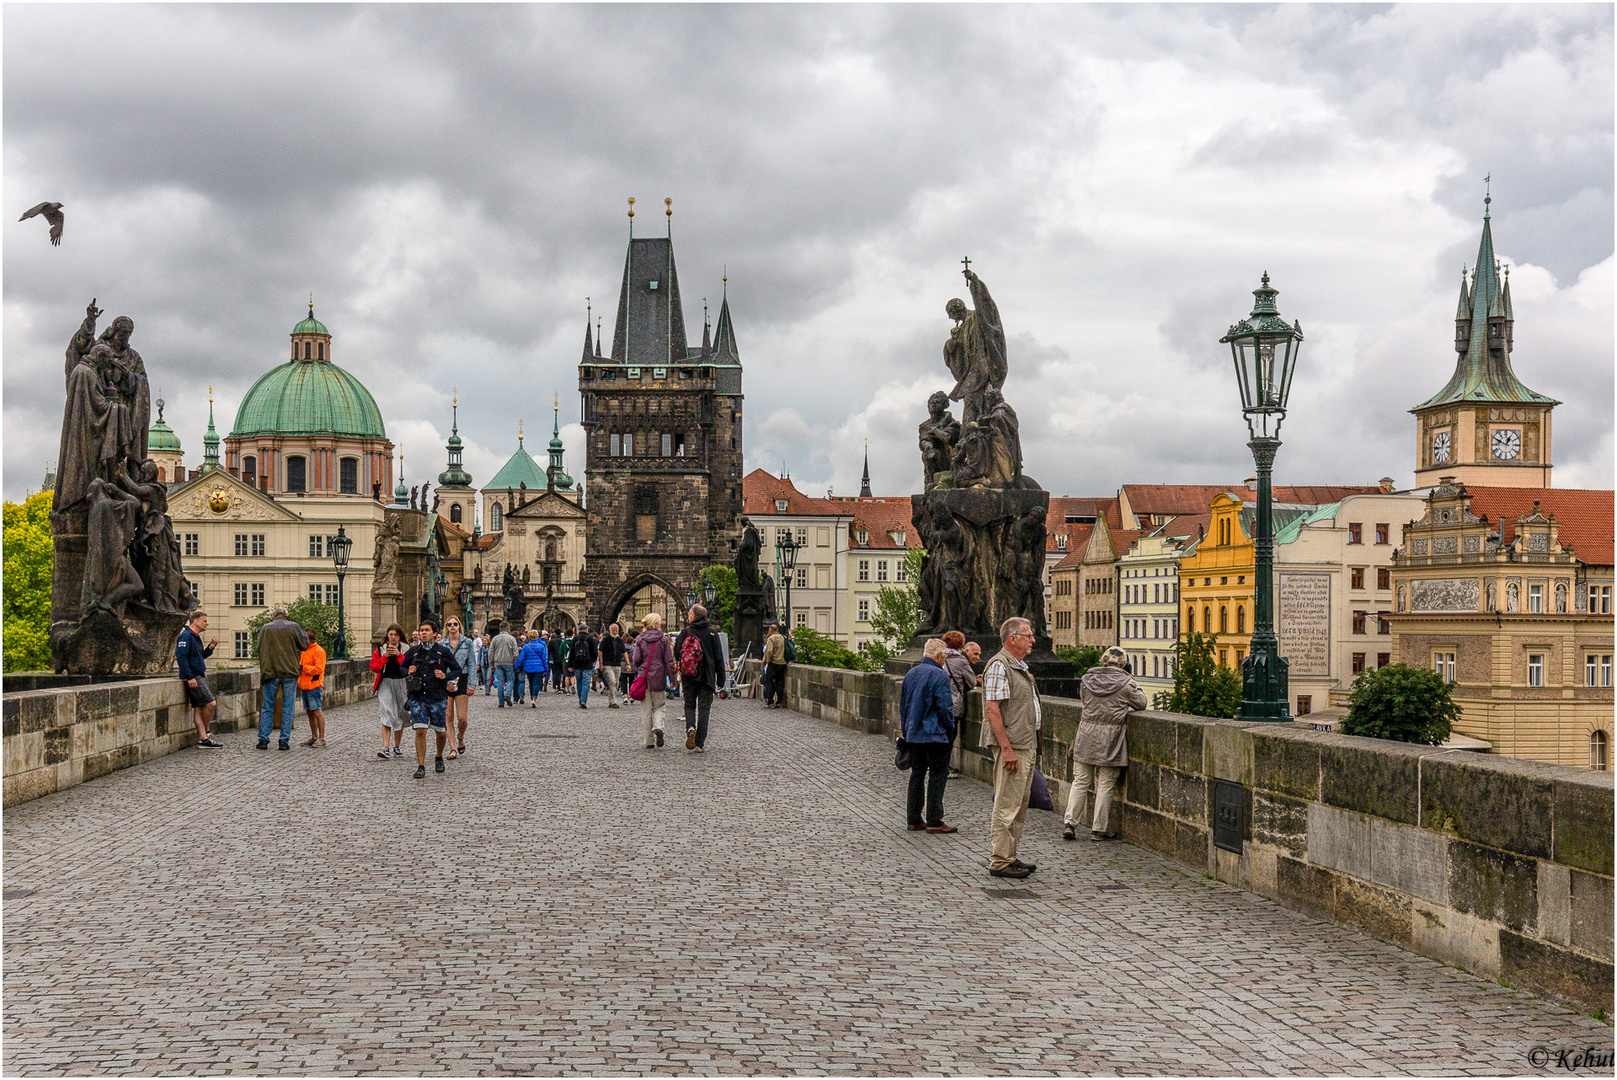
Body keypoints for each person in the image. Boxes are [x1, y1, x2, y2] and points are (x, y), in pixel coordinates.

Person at [1064, 645, 1146, 842]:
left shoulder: (1086, 679)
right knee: (1106, 783)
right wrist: (1133, 680)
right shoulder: (1126, 683)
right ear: (1124, 664)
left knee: (1080, 781)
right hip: (1111, 737)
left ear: (1103, 660)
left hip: (1086, 733)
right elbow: (1141, 703)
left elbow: (1084, 701)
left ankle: (1070, 823)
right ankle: (1098, 829)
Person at [980, 616, 1041, 879]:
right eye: (1028, 636)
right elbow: (992, 710)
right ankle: (1000, 861)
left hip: (1024, 742)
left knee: (1019, 804)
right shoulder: (999, 665)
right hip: (1013, 744)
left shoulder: (1018, 665)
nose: (1032, 640)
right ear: (1012, 638)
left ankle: (1010, 855)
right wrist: (1006, 748)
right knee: (1006, 804)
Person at [901, 638, 958, 833]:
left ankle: (914, 818)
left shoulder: (911, 674)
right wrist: (949, 728)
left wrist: (906, 730)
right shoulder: (940, 675)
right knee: (937, 775)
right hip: (935, 734)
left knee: (917, 774)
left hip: (914, 733)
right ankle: (934, 820)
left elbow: (904, 707)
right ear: (940, 655)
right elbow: (944, 707)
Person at [403, 618, 462, 779]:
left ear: (435, 634)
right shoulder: (413, 652)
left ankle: (438, 756)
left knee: (441, 733)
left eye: (426, 630)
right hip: (418, 697)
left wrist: (445, 676)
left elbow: (457, 669)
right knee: (420, 730)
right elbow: (401, 668)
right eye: (421, 630)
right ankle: (421, 765)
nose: (423, 633)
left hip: (437, 696)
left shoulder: (442, 651)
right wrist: (408, 670)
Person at [257, 604, 309, 750]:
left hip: (270, 671)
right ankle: (284, 740)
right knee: (288, 706)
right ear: (287, 615)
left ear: (273, 616)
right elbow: (305, 645)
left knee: (268, 706)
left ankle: (263, 739)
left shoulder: (265, 628)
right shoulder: (293, 627)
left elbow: (258, 647)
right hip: (289, 671)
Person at [673, 604, 724, 751]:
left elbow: (677, 653)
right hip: (707, 677)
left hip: (689, 676)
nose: (689, 616)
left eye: (690, 614)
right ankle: (699, 743)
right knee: (704, 709)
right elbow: (719, 658)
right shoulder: (712, 633)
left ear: (694, 616)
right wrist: (720, 680)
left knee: (689, 705)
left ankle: (690, 727)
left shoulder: (686, 632)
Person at [175, 610, 223, 748]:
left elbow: (199, 657)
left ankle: (203, 739)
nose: (207, 623)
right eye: (204, 621)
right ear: (196, 621)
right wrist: (189, 677)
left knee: (199, 707)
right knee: (211, 704)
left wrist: (210, 648)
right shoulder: (186, 636)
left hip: (198, 675)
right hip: (193, 677)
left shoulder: (195, 637)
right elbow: (181, 657)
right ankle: (206, 730)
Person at [631, 613, 673, 748]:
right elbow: (669, 661)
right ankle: (659, 726)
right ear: (655, 624)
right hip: (659, 676)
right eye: (660, 622)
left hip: (644, 677)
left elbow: (636, 660)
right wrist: (672, 678)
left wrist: (641, 668)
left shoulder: (640, 639)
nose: (661, 624)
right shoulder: (663, 639)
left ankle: (649, 741)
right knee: (659, 705)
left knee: (646, 710)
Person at [372, 623, 409, 757]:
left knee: (400, 713)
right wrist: (385, 657)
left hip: (401, 683)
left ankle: (397, 746)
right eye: (391, 634)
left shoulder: (406, 648)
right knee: (387, 712)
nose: (393, 637)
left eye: (395, 635)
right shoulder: (381, 649)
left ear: (400, 636)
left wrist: (398, 655)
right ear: (387, 636)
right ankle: (385, 747)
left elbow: (409, 666)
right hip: (386, 682)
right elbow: (374, 667)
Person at [444, 617, 475, 757]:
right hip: (446, 680)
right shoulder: (441, 644)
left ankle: (460, 737)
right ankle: (452, 748)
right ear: (446, 627)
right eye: (449, 624)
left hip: (462, 679)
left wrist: (472, 684)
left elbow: (472, 665)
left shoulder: (467, 643)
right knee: (448, 716)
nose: (452, 627)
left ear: (459, 626)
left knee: (462, 719)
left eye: (455, 624)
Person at [298, 633, 327, 748]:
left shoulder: (318, 651)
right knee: (309, 712)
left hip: (314, 686)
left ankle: (322, 738)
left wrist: (303, 668)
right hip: (304, 685)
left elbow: (319, 669)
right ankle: (314, 737)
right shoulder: (304, 651)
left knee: (316, 711)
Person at [486, 619, 520, 708]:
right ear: (508, 629)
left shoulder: (495, 639)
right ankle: (507, 694)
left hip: (498, 663)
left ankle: (501, 703)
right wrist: (516, 664)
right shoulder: (512, 639)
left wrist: (491, 665)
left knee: (500, 682)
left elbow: (491, 653)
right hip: (509, 662)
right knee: (510, 680)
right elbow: (515, 653)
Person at [516, 630, 549, 708]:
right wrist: (546, 669)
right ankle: (534, 697)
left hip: (528, 667)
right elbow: (544, 659)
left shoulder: (526, 647)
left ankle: (532, 697)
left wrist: (516, 666)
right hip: (539, 667)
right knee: (536, 683)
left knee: (531, 683)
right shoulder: (541, 646)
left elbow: (521, 658)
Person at [598, 623, 627, 709]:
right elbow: (600, 652)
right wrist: (601, 663)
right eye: (613, 630)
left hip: (617, 664)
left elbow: (624, 652)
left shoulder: (620, 640)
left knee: (616, 683)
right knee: (612, 681)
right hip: (608, 664)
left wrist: (628, 663)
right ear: (610, 630)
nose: (615, 632)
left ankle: (611, 698)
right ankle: (613, 701)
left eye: (616, 630)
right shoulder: (605, 640)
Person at [569, 624, 597, 708]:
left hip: (577, 664)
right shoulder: (590, 638)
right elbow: (594, 651)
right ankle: (583, 700)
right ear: (586, 630)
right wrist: (594, 660)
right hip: (587, 664)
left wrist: (570, 664)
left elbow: (571, 652)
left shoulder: (575, 638)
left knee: (579, 682)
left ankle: (580, 700)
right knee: (586, 682)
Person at [761, 624, 786, 709]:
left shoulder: (771, 638)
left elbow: (769, 651)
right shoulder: (782, 637)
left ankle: (770, 701)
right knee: (780, 683)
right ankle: (779, 702)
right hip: (782, 663)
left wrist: (768, 661)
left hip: (773, 663)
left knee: (769, 682)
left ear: (771, 630)